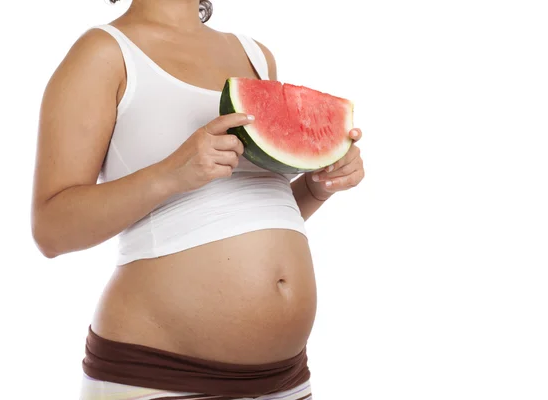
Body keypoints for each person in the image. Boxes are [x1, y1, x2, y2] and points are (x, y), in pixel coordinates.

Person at [31, 0, 365, 399]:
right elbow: (51, 231)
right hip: (160, 374)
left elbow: (240, 210)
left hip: (285, 380)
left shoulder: (256, 55)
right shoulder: (104, 52)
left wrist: (315, 187)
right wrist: (171, 173)